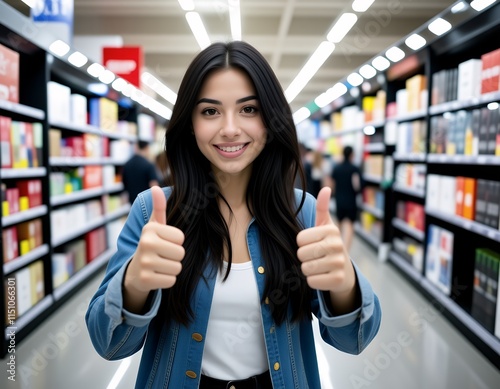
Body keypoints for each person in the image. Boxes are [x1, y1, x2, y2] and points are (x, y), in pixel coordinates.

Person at [86, 41, 381, 389]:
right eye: (210, 111)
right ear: (190, 123)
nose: (229, 128)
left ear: (270, 120)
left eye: (249, 109)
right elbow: (110, 345)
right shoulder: (154, 212)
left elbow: (353, 341)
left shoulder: (299, 212)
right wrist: (134, 282)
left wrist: (344, 285)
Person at [330, 145, 363, 252]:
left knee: (338, 224)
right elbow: (357, 186)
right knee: (349, 225)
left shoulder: (336, 168)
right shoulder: (354, 169)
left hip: (339, 200)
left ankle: (336, 248)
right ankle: (345, 251)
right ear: (351, 155)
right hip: (350, 201)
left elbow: (332, 185)